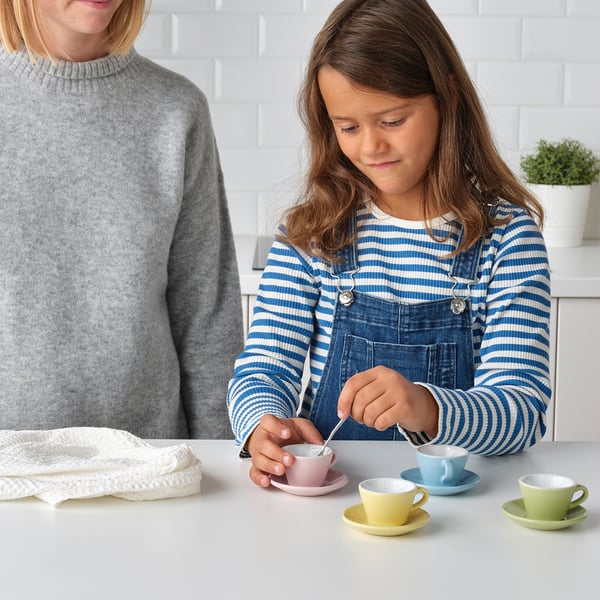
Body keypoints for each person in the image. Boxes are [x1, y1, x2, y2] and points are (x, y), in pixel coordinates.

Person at [227, 0, 551, 487]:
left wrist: (426, 405)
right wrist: (261, 427)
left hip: (458, 509)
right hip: (337, 504)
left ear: (448, 101)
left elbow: (520, 411)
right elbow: (262, 371)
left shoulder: (506, 240)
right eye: (348, 127)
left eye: (393, 121)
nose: (370, 146)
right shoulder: (314, 234)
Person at [0, 0, 243, 438]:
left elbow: (206, 314)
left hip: (152, 467)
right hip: (9, 475)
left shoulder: (176, 110)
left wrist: (227, 464)